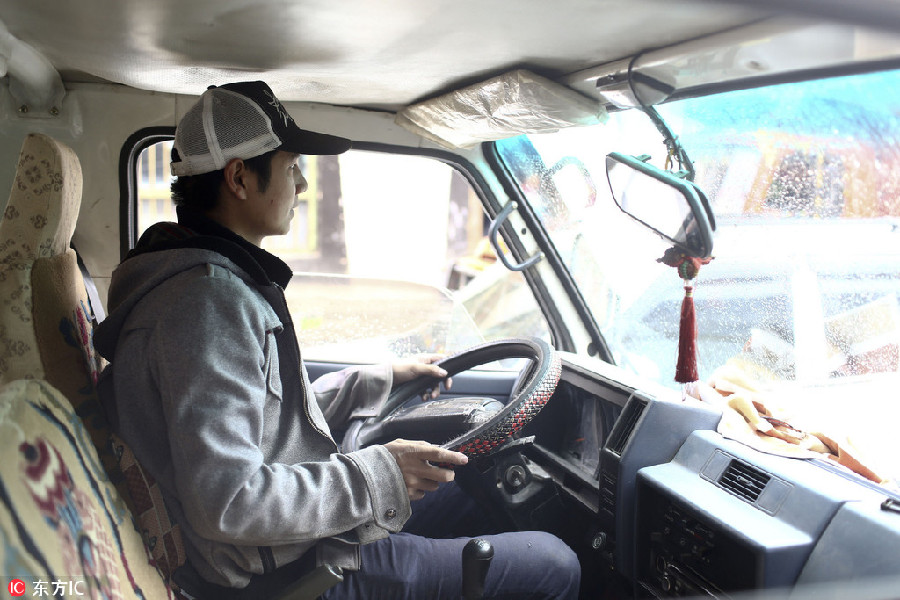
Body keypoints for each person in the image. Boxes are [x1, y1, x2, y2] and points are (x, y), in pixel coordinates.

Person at [94, 81, 580, 599]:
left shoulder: (211, 282)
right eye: (290, 167)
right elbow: (230, 502)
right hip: (289, 575)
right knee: (555, 565)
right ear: (239, 177)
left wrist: (371, 383)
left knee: (476, 486)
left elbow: (261, 417)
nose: (302, 184)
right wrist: (380, 472)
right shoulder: (205, 305)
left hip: (296, 540)